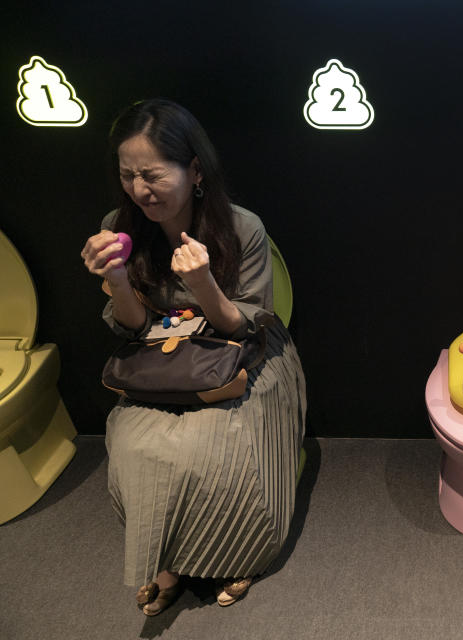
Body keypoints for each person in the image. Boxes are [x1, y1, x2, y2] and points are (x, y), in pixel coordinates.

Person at [80, 99, 307, 615]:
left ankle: (238, 553)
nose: (140, 190)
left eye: (154, 175)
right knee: (135, 443)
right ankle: (169, 560)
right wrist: (115, 280)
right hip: (160, 357)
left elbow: (245, 324)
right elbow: (134, 324)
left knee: (218, 443)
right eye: (128, 175)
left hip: (242, 355)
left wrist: (202, 282)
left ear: (195, 170)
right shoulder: (120, 225)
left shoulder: (242, 227)